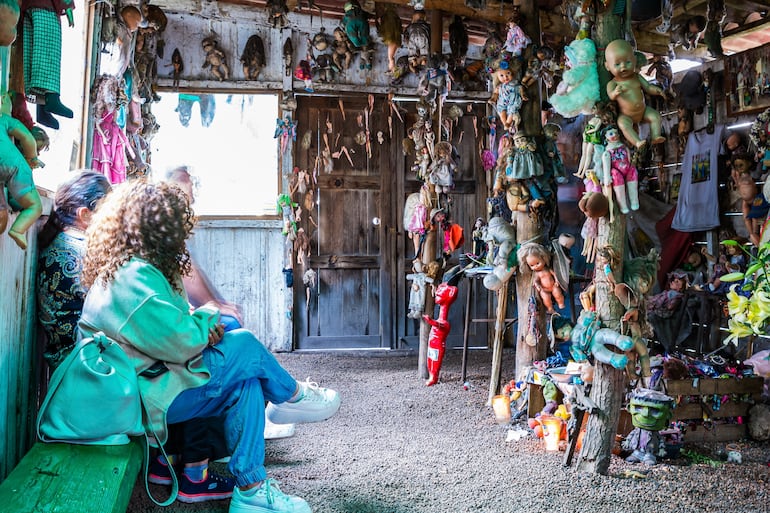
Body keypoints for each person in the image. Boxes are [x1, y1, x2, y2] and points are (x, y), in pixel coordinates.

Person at [78, 179, 340, 513]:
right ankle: (291, 395)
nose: (180, 235)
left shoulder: (134, 269)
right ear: (159, 228)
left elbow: (170, 327)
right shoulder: (132, 277)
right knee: (243, 344)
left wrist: (199, 322)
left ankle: (252, 489)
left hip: (146, 386)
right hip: (135, 401)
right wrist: (205, 318)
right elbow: (183, 343)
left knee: (245, 382)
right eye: (175, 225)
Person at [37, 171, 111, 369]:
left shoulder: (60, 242)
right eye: (109, 213)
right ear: (85, 215)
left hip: (67, 361)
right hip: (89, 365)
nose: (114, 221)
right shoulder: (81, 252)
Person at [604, 39, 666, 149]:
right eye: (617, 64)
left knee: (655, 116)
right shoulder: (613, 83)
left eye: (627, 62)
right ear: (607, 66)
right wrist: (615, 92)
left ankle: (655, 135)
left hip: (643, 111)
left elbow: (648, 87)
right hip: (627, 115)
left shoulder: (637, 77)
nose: (623, 67)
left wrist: (657, 90)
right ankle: (637, 142)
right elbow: (610, 95)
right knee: (622, 123)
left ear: (634, 60)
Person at [0, 113, 43, 249]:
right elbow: (27, 138)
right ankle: (18, 229)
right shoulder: (4, 119)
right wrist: (33, 158)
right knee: (35, 206)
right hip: (11, 166)